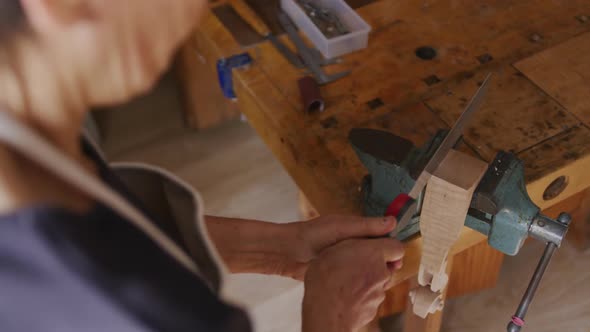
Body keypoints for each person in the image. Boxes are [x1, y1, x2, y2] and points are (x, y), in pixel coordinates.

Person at [0, 0, 405, 331]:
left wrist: (279, 248)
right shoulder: (138, 314)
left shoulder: (30, 133)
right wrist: (331, 316)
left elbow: (118, 229)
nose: (194, 13)